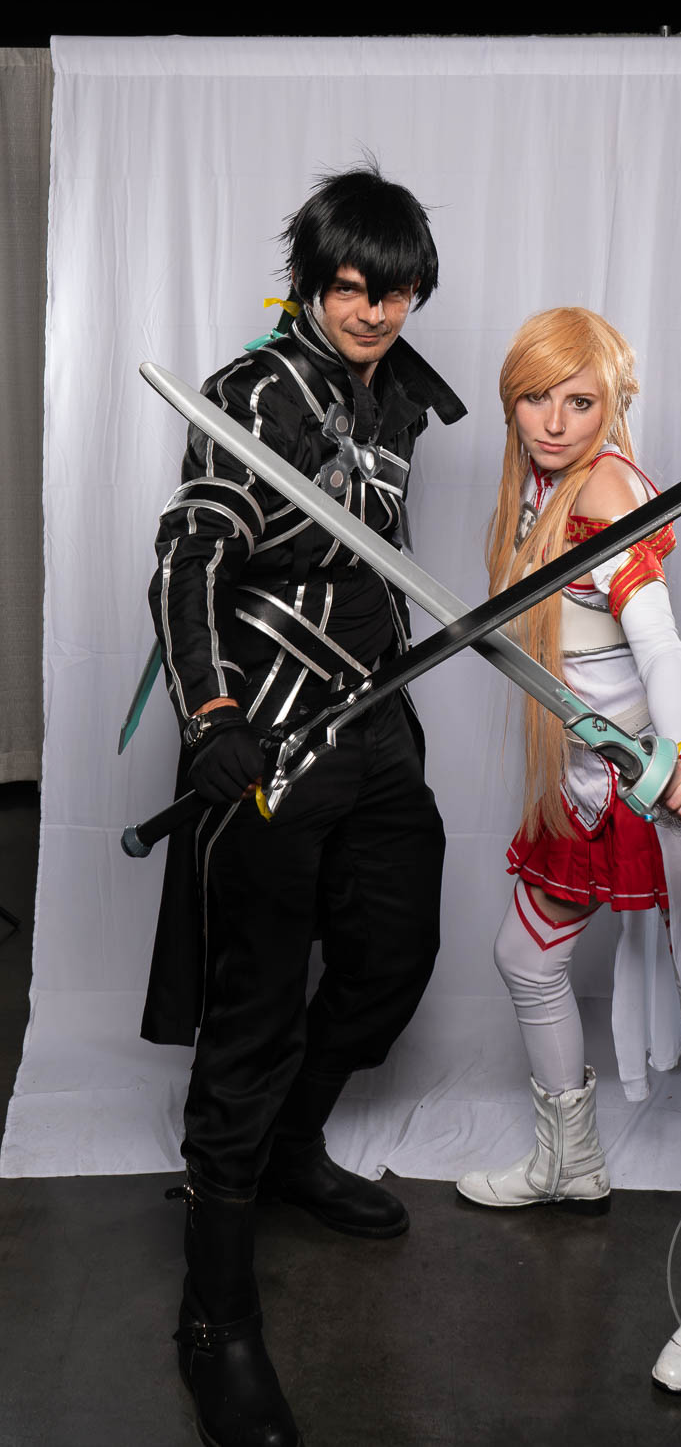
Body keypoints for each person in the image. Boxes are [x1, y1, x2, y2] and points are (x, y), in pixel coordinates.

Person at [143, 164, 465, 1447]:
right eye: (350, 288)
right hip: (271, 731)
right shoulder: (251, 393)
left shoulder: (395, 396)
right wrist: (212, 719)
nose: (374, 311)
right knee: (256, 1015)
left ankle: (291, 1144)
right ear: (311, 284)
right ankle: (214, 1318)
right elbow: (188, 559)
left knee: (394, 955)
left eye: (395, 291)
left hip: (377, 723)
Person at [456, 308, 681, 1393]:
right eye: (535, 398)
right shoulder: (528, 493)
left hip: (678, 775)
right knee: (526, 956)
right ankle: (571, 1160)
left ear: (612, 405)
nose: (555, 422)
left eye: (581, 401)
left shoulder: (604, 494)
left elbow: (657, 650)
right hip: (592, 777)